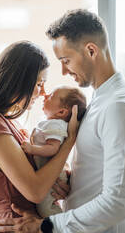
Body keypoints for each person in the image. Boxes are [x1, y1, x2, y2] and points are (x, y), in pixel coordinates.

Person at [0, 9, 125, 233]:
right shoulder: (98, 101)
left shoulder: (117, 107)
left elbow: (116, 202)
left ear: (91, 51)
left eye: (66, 61)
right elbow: (97, 171)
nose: (64, 71)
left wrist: (46, 225)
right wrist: (68, 183)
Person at [0, 41, 79, 233]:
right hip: (11, 225)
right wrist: (69, 141)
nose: (43, 93)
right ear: (18, 81)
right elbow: (34, 190)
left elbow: (38, 182)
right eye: (39, 84)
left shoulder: (10, 124)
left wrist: (58, 182)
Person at [21, 86, 86, 217]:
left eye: (51, 96)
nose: (45, 95)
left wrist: (32, 149)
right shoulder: (49, 124)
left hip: (53, 176)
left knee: (46, 209)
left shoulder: (55, 125)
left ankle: (59, 225)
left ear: (61, 112)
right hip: (48, 172)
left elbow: (53, 148)